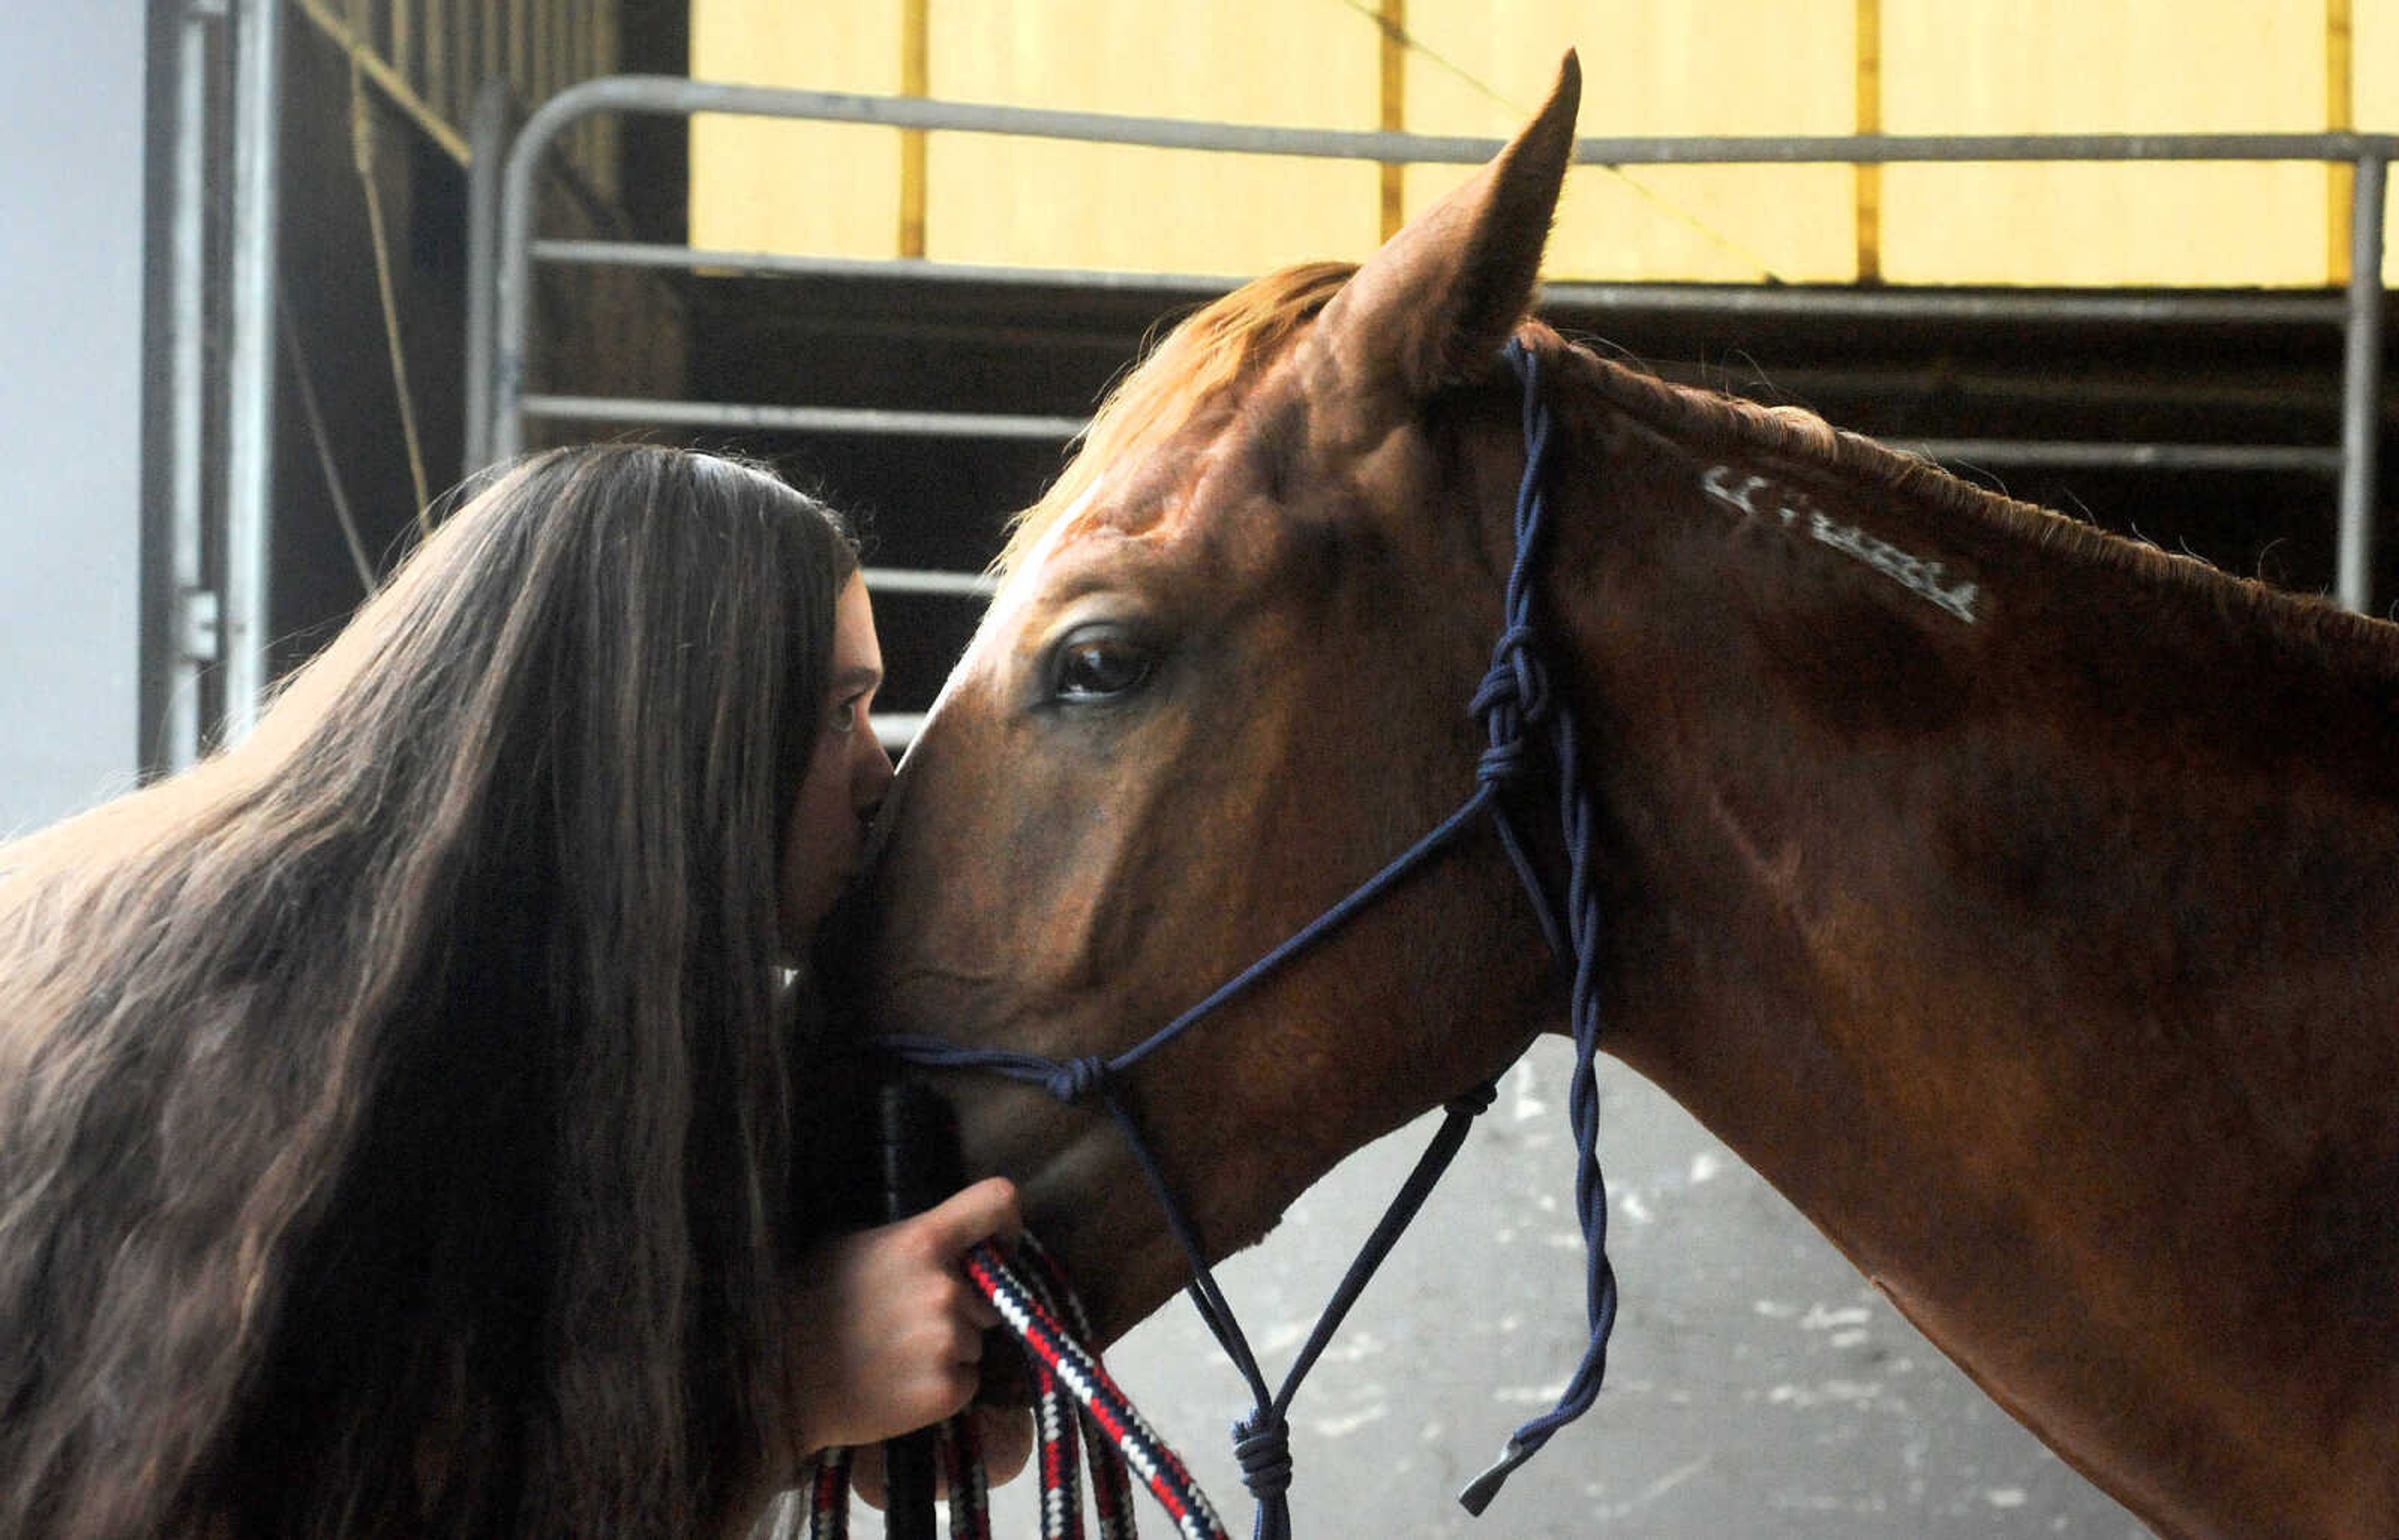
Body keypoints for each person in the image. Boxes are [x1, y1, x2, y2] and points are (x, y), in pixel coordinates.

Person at [0, 444, 1025, 1540]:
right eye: (839, 713)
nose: (881, 776)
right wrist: (785, 1383)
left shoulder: (568, 1012)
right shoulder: (273, 1043)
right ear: (680, 725)